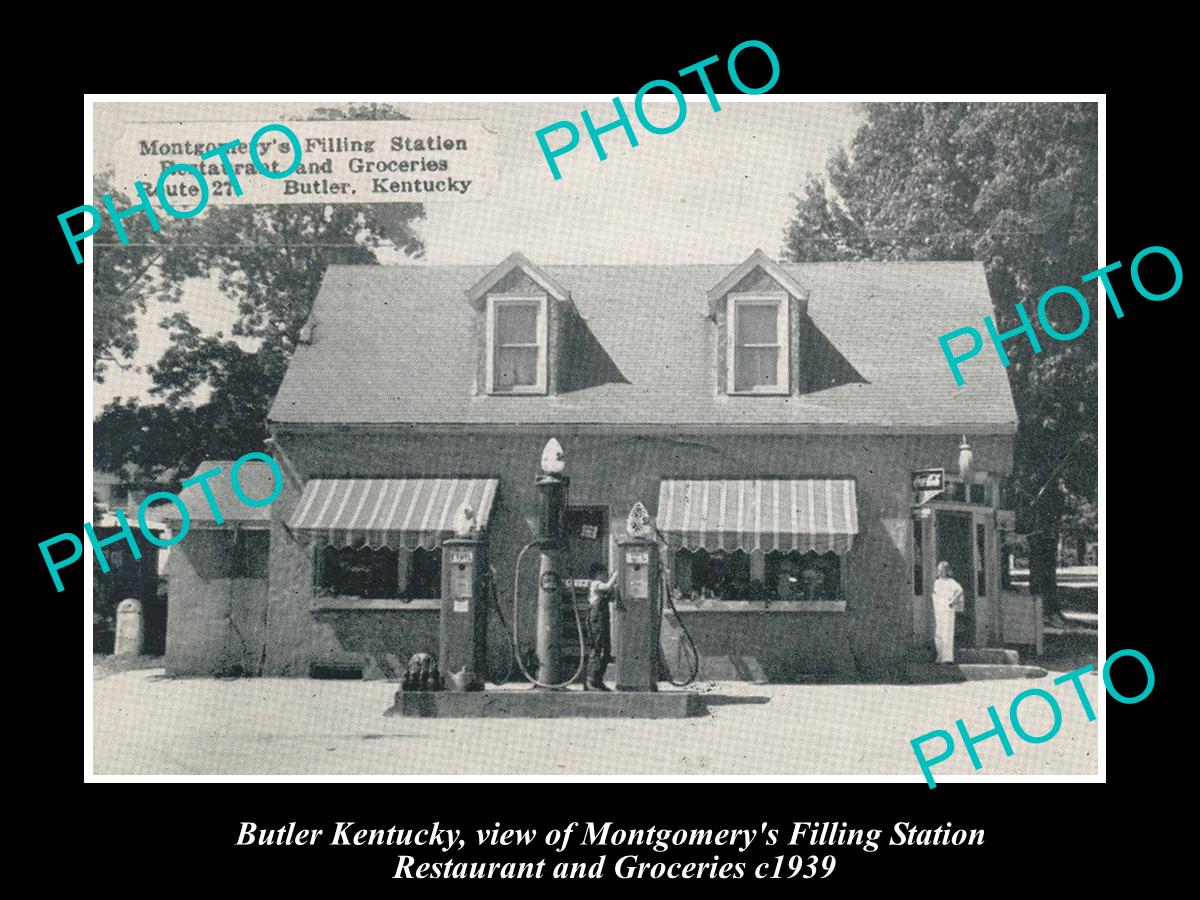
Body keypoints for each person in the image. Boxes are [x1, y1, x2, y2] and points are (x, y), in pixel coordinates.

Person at [584, 562, 618, 690]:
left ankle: (598, 679)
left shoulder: (602, 587)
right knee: (597, 648)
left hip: (603, 620)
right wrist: (615, 576)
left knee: (606, 649)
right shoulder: (595, 584)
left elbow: (612, 597)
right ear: (598, 574)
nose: (605, 575)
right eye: (604, 573)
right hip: (596, 620)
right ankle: (591, 680)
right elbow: (608, 586)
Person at [931, 561, 965, 664]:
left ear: (946, 571)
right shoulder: (936, 582)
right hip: (938, 608)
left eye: (942, 570)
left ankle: (947, 658)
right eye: (939, 570)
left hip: (947, 608)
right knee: (938, 633)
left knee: (947, 632)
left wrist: (952, 601)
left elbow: (960, 591)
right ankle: (939, 656)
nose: (940, 572)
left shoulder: (950, 582)